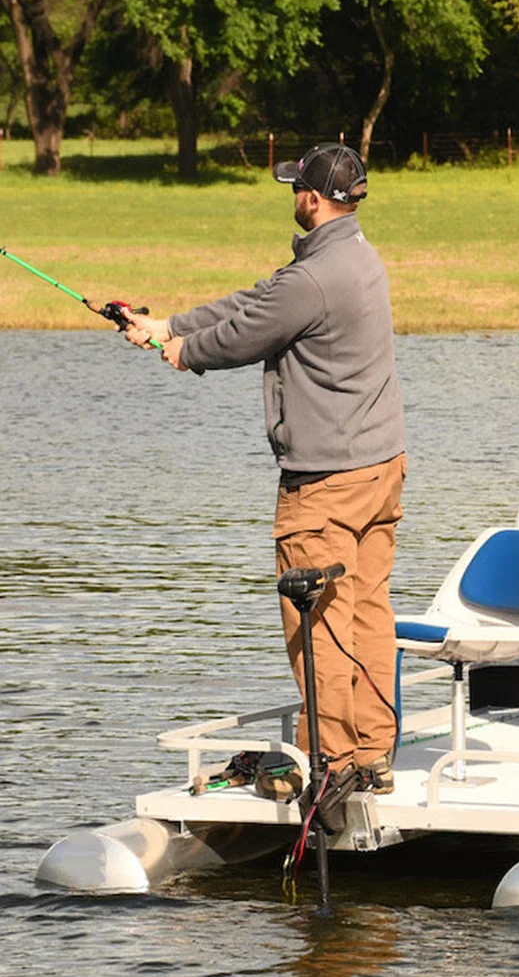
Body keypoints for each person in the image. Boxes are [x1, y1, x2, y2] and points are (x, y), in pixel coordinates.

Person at [124, 143, 406, 792]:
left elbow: (245, 333)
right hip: (378, 473)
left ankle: (332, 767)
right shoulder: (356, 259)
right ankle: (371, 754)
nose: (292, 195)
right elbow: (259, 300)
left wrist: (182, 352)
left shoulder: (315, 278)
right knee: (365, 612)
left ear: (312, 196)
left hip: (326, 486)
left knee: (320, 624)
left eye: (295, 187)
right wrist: (164, 322)